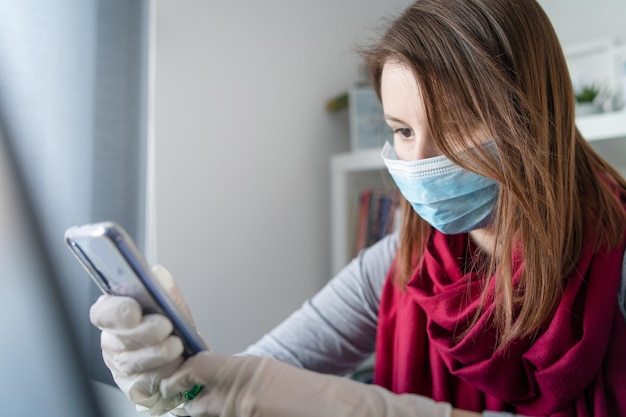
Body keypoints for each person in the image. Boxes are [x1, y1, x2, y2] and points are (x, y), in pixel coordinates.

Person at [89, 0, 626, 416]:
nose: (419, 160)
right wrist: (174, 370)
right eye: (403, 131)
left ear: (531, 115)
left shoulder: (615, 267)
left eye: (454, 126)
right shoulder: (404, 266)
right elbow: (250, 377)